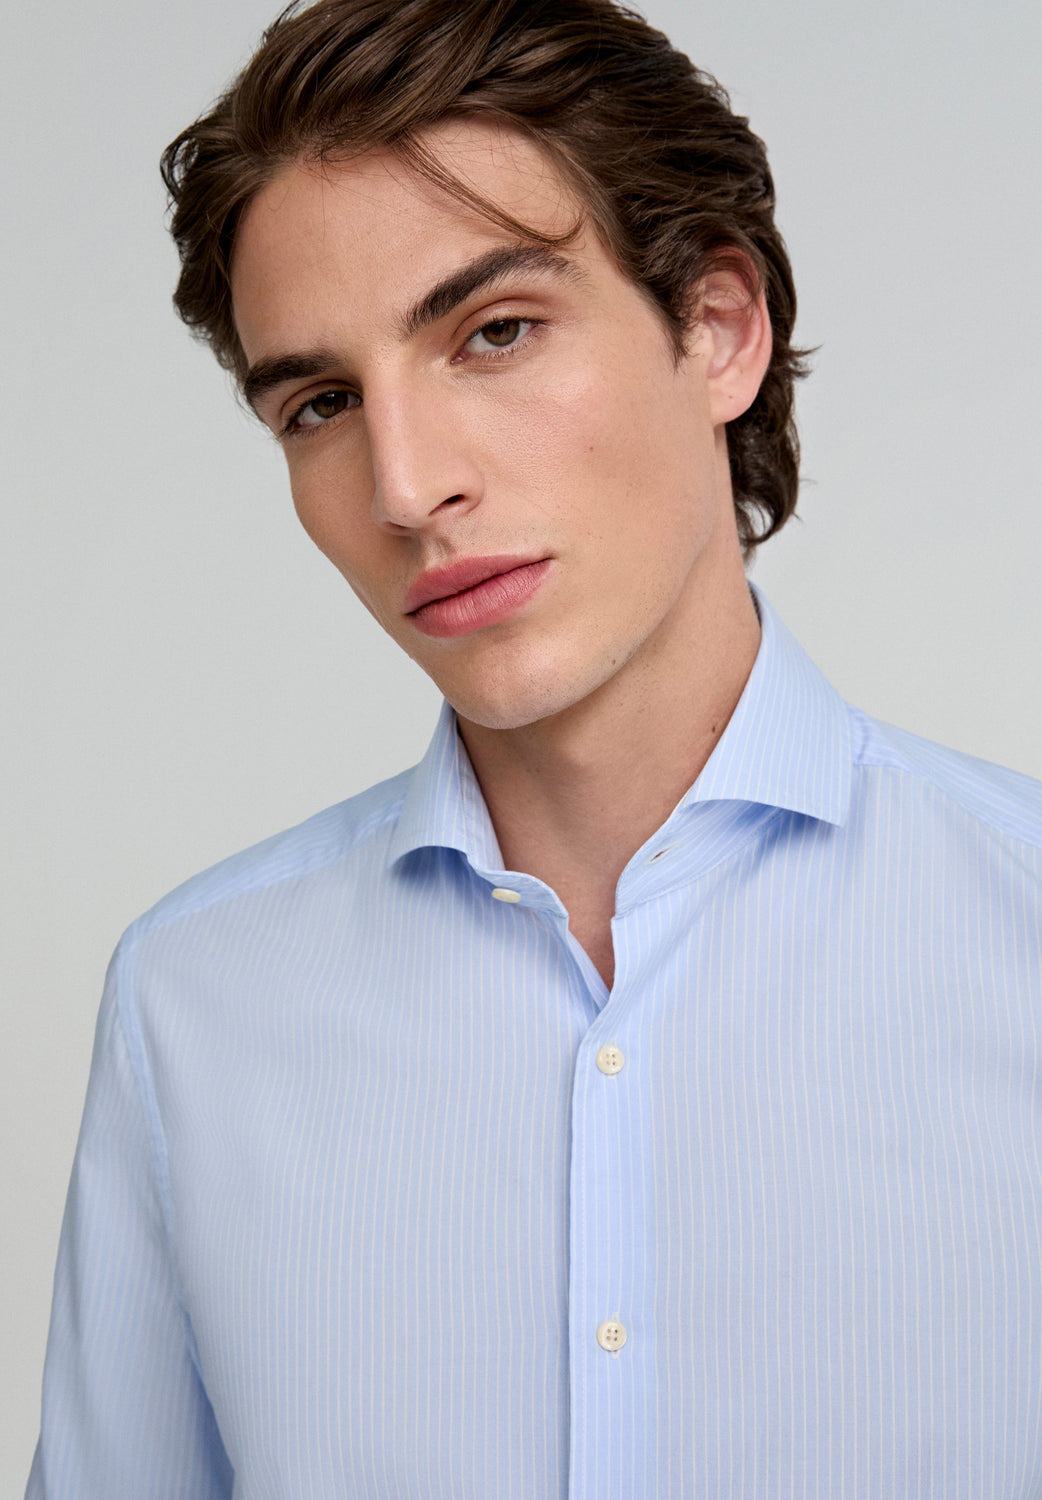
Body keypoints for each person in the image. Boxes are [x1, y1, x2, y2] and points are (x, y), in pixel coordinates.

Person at [27, 0, 1042, 1494]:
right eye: (320, 403)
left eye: (493, 332)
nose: (405, 484)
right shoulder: (192, 1004)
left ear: (717, 329)